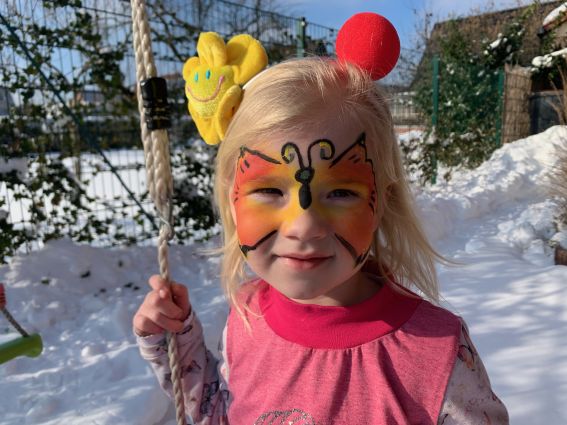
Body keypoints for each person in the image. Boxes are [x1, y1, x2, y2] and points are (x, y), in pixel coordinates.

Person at [133, 15, 509, 425]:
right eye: (269, 191)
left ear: (382, 201)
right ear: (231, 197)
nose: (303, 226)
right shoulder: (247, 315)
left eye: (341, 192)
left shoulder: (438, 354)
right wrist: (175, 347)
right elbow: (223, 413)